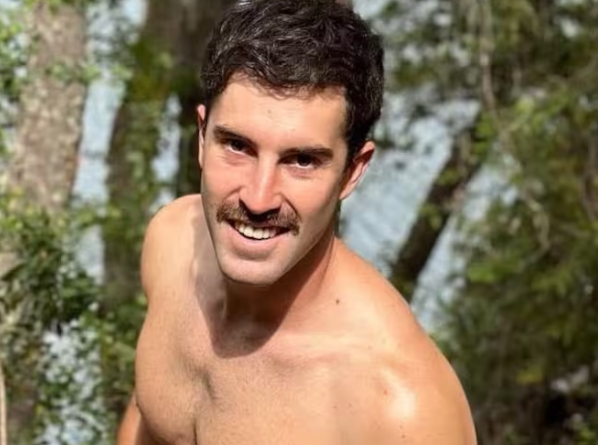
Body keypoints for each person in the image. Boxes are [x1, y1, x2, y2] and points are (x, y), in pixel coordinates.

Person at [117, 0, 477, 443]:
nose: (258, 198)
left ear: (352, 171)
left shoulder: (399, 408)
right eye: (237, 146)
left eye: (302, 160)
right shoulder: (173, 243)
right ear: (202, 137)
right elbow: (148, 414)